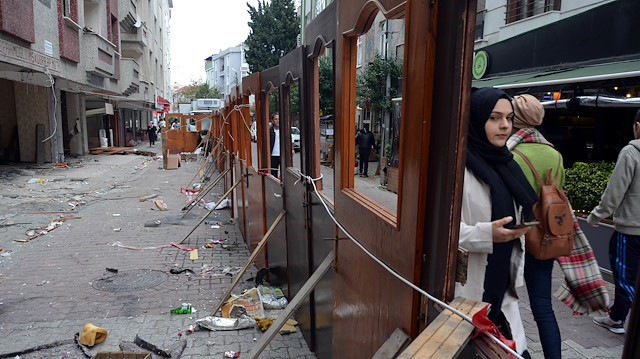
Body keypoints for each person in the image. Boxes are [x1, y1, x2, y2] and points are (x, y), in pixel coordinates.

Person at [458, 87, 538, 357]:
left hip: (503, 288)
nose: (505, 125)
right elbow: (439, 232)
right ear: (477, 119)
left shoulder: (509, 164)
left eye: (509, 118)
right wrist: (486, 234)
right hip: (470, 290)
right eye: (494, 117)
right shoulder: (457, 167)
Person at [507, 94, 563, 358]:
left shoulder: (510, 154)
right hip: (545, 238)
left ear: (515, 118)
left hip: (515, 237)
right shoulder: (554, 154)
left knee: (507, 302)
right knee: (543, 306)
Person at [587, 109, 640, 334]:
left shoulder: (631, 152)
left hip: (631, 229)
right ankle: (618, 313)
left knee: (625, 275)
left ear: (637, 126)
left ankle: (618, 319)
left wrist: (597, 215)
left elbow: (614, 191)